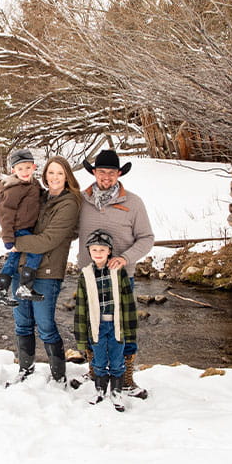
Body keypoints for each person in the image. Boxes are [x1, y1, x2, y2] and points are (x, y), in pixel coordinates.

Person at [76, 149, 154, 398]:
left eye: (111, 173)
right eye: (101, 172)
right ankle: (94, 371)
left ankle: (127, 378)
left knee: (124, 328)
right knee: (91, 325)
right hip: (89, 277)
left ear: (119, 174)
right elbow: (64, 230)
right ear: (94, 172)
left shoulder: (133, 203)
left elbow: (147, 238)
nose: (106, 177)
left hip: (121, 278)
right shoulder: (81, 201)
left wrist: (125, 258)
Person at [7, 156, 82, 386]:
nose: (55, 177)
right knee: (22, 323)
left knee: (46, 326)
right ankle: (25, 368)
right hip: (22, 267)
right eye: (51, 173)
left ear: (67, 176)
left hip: (47, 272)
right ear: (45, 175)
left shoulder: (69, 204)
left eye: (59, 173)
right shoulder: (39, 195)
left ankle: (59, 376)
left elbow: (48, 240)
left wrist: (16, 244)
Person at [73, 229, 138, 412]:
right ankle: (100, 390)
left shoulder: (119, 273)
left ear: (109, 251)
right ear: (89, 252)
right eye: (94, 250)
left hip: (116, 326)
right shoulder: (85, 275)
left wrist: (130, 331)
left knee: (117, 362)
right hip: (96, 327)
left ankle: (116, 393)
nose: (98, 254)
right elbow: (81, 307)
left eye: (102, 250)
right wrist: (81, 336)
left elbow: (128, 303)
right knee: (98, 361)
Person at [0, 149, 45, 305]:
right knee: (36, 250)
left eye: (28, 167)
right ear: (13, 170)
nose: (25, 172)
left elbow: (40, 196)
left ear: (34, 167)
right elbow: (5, 214)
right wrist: (8, 238)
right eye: (20, 169)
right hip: (19, 229)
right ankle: (25, 287)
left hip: (28, 228)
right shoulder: (14, 189)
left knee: (13, 260)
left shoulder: (34, 183)